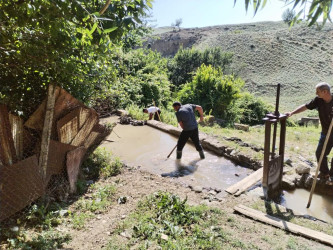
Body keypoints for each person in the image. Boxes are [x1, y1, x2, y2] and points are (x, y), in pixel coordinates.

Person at [286, 82, 333, 181]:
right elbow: (306, 106)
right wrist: (292, 113)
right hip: (326, 132)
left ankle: (332, 176)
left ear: (325, 91)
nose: (316, 93)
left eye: (318, 91)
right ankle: (325, 174)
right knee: (320, 153)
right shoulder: (318, 100)